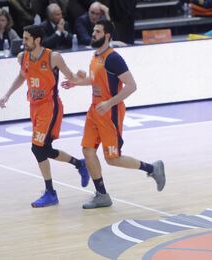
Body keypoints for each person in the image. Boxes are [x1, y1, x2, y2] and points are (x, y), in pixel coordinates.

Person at [61, 20, 166, 209]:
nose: (93, 33)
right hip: (94, 111)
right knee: (87, 150)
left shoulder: (113, 58)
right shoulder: (95, 55)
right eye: (93, 30)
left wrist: (109, 103)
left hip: (110, 112)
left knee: (113, 159)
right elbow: (94, 81)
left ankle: (152, 168)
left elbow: (132, 86)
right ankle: (101, 194)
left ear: (107, 35)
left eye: (97, 31)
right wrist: (76, 82)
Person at [0, 25, 90, 208]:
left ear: (37, 40)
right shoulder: (22, 57)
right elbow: (22, 77)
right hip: (34, 107)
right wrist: (7, 94)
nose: (22, 43)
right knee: (44, 149)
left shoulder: (53, 57)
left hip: (50, 107)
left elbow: (70, 77)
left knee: (37, 148)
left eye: (26, 39)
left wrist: (81, 78)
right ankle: (80, 164)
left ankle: (51, 192)